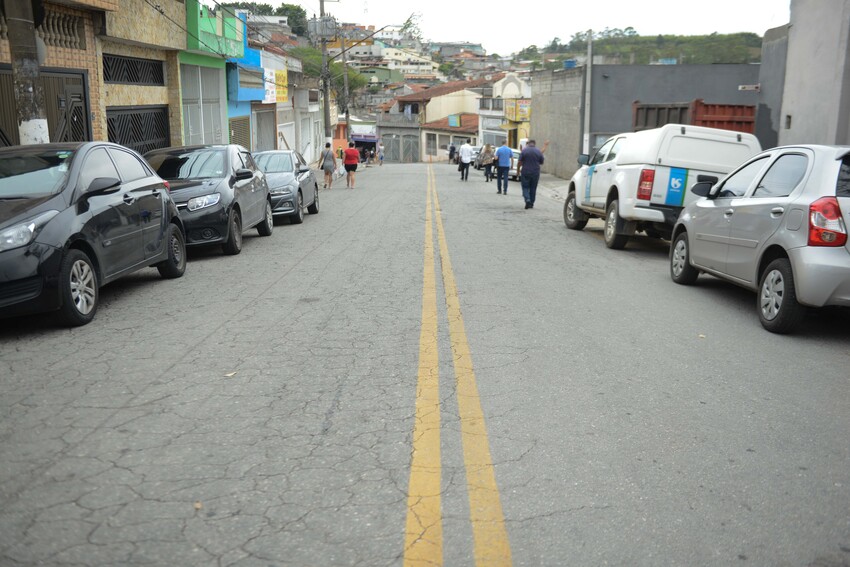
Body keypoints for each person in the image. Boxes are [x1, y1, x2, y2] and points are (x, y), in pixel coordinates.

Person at [517, 139, 550, 209]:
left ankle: (527, 199)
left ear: (528, 144)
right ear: (534, 144)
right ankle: (531, 203)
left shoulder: (524, 151)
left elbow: (519, 162)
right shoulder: (538, 151)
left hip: (525, 171)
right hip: (535, 172)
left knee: (525, 187)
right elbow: (541, 162)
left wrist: (518, 171)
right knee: (533, 188)